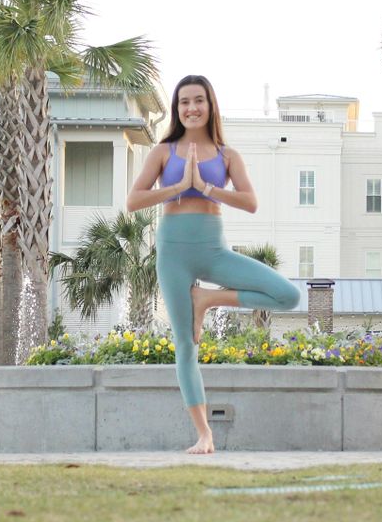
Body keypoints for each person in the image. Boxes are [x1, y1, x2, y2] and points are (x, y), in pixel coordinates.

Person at [126, 75, 300, 454]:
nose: (191, 108)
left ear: (210, 106)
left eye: (198, 100)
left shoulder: (227, 155)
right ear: (177, 108)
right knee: (185, 345)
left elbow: (250, 202)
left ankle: (208, 299)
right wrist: (178, 186)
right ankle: (204, 434)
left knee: (288, 295)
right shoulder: (163, 150)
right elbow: (134, 200)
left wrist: (205, 188)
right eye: (184, 101)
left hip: (214, 249)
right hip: (173, 252)